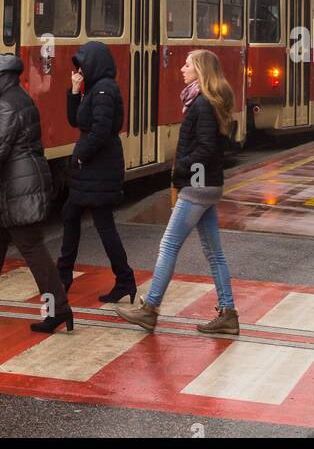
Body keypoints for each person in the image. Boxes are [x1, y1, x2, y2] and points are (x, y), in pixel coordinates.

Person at [116, 49, 239, 336]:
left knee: (169, 245)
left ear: (200, 71)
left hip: (198, 186)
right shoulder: (207, 101)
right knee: (214, 253)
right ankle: (228, 312)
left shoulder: (202, 104)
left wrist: (182, 170)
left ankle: (150, 309)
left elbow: (206, 148)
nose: (181, 68)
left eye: (187, 65)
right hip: (209, 185)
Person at [0, 50, 74, 334]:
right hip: (12, 188)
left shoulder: (5, 106)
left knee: (32, 249)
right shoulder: (19, 97)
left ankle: (59, 310)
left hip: (17, 189)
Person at [56, 41, 136, 303]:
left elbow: (101, 130)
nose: (79, 70)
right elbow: (74, 121)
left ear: (94, 63)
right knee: (74, 215)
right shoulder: (94, 89)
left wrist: (80, 155)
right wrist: (74, 91)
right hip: (92, 167)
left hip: (98, 166)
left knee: (102, 224)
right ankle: (64, 275)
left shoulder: (104, 90)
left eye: (82, 65)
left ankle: (123, 279)